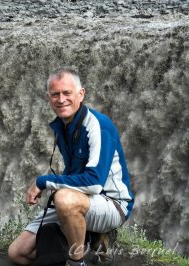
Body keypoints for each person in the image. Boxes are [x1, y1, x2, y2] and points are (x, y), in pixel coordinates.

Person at [8, 68, 134, 266]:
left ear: (81, 94)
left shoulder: (98, 126)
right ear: (48, 97)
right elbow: (75, 171)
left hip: (112, 204)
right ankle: (90, 239)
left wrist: (43, 182)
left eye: (67, 93)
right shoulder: (63, 126)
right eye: (55, 94)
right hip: (79, 198)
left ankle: (78, 261)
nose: (61, 99)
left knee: (64, 199)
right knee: (18, 254)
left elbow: (93, 183)